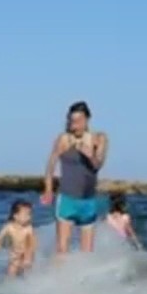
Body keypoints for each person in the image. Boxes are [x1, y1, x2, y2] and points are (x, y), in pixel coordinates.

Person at [41, 101, 108, 254]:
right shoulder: (64, 139)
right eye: (72, 121)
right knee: (62, 249)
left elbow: (98, 165)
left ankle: (83, 278)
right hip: (67, 199)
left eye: (79, 121)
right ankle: (58, 277)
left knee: (87, 252)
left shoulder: (99, 139)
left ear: (87, 120)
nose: (75, 125)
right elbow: (50, 166)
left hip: (88, 201)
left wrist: (90, 155)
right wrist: (48, 190)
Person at [0, 199, 36, 277]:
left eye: (29, 214)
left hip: (26, 252)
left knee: (25, 269)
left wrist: (28, 257)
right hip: (15, 252)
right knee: (11, 270)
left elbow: (32, 242)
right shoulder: (9, 227)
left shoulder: (29, 228)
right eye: (26, 215)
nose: (29, 217)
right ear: (16, 216)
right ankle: (10, 284)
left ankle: (26, 282)